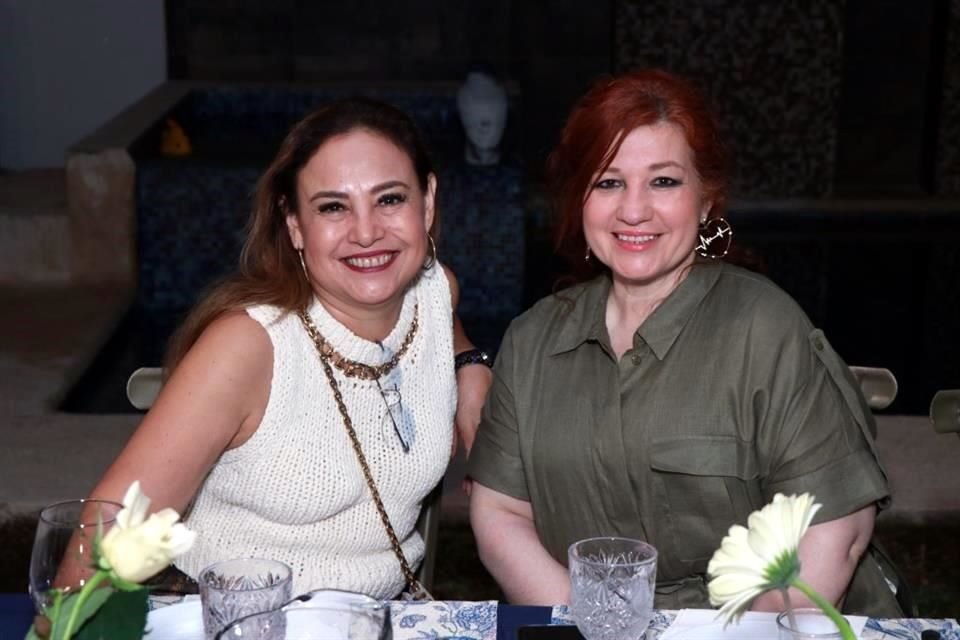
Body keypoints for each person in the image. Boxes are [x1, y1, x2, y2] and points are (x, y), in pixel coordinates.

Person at [467, 69, 905, 617]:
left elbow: (834, 533)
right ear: (580, 199)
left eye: (664, 182)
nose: (633, 210)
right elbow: (501, 515)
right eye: (608, 182)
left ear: (705, 200)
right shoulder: (531, 340)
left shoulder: (764, 328)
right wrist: (596, 624)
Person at [86, 97, 492, 599]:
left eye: (390, 199)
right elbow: (112, 524)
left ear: (427, 203)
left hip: (382, 615)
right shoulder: (248, 346)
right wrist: (57, 628)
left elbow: (445, 330)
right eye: (333, 207)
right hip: (235, 616)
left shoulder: (434, 292)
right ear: (295, 224)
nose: (367, 232)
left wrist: (470, 364)